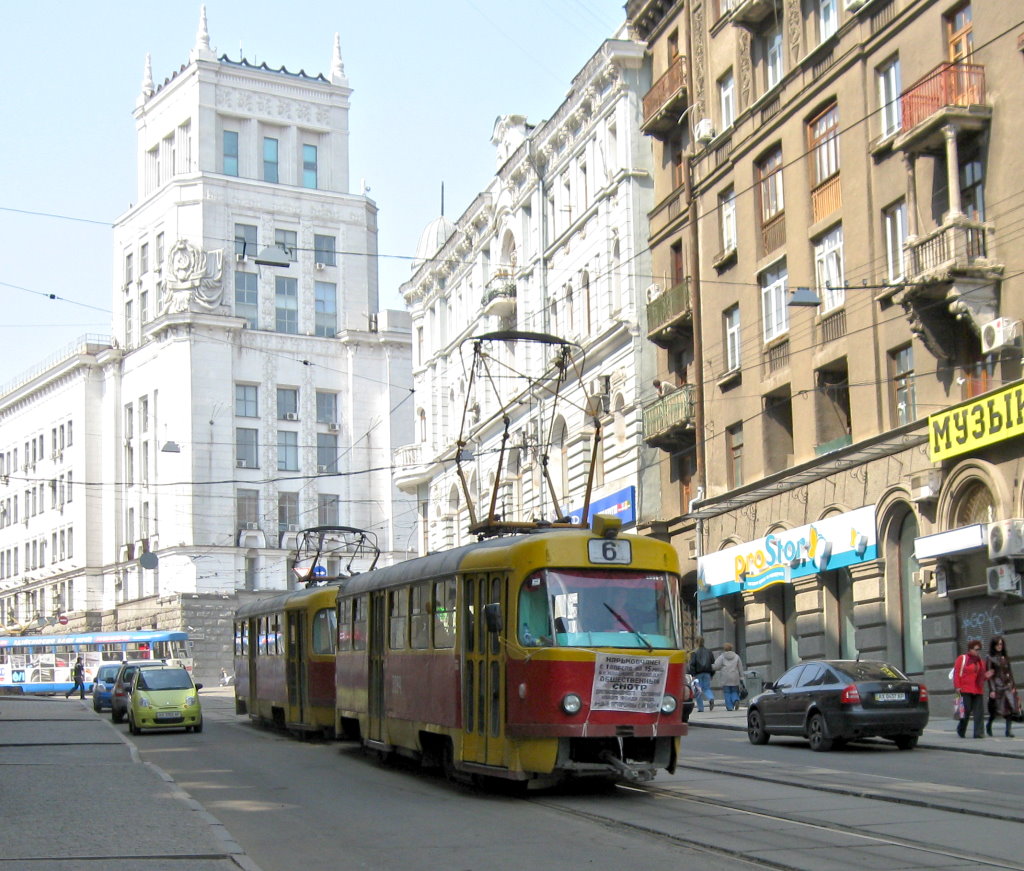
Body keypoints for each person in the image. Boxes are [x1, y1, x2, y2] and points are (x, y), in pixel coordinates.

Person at [953, 639, 991, 738]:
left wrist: (987, 675)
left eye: (979, 650)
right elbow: (956, 673)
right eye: (976, 649)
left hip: (977, 689)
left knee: (979, 712)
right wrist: (957, 686)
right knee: (965, 711)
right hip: (964, 689)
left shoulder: (980, 662)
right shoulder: (962, 659)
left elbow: (981, 677)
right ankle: (961, 729)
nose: (978, 652)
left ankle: (978, 733)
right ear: (970, 649)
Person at [985, 635, 1018, 738]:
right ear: (993, 645)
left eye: (1001, 644)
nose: (1000, 646)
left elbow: (1010, 672)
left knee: (1009, 709)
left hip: (1007, 686)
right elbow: (990, 676)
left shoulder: (1005, 657)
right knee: (995, 711)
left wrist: (1013, 686)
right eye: (997, 644)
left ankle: (1008, 731)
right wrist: (992, 690)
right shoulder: (990, 658)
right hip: (998, 687)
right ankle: (989, 725)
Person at [712, 643, 745, 711]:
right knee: (734, 691)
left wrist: (709, 666)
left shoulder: (722, 657)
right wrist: (741, 677)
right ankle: (735, 699)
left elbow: (716, 666)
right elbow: (740, 667)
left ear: (724, 649)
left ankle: (729, 707)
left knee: (727, 692)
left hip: (725, 677)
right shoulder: (736, 656)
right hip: (734, 677)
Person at [689, 637, 716, 712]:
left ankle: (701, 708)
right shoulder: (709, 651)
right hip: (707, 673)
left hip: (698, 673)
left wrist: (693, 675)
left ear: (696, 642)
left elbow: (692, 664)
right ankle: (711, 698)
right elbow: (713, 663)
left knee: (698, 690)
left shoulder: (694, 652)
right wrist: (712, 674)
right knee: (706, 688)